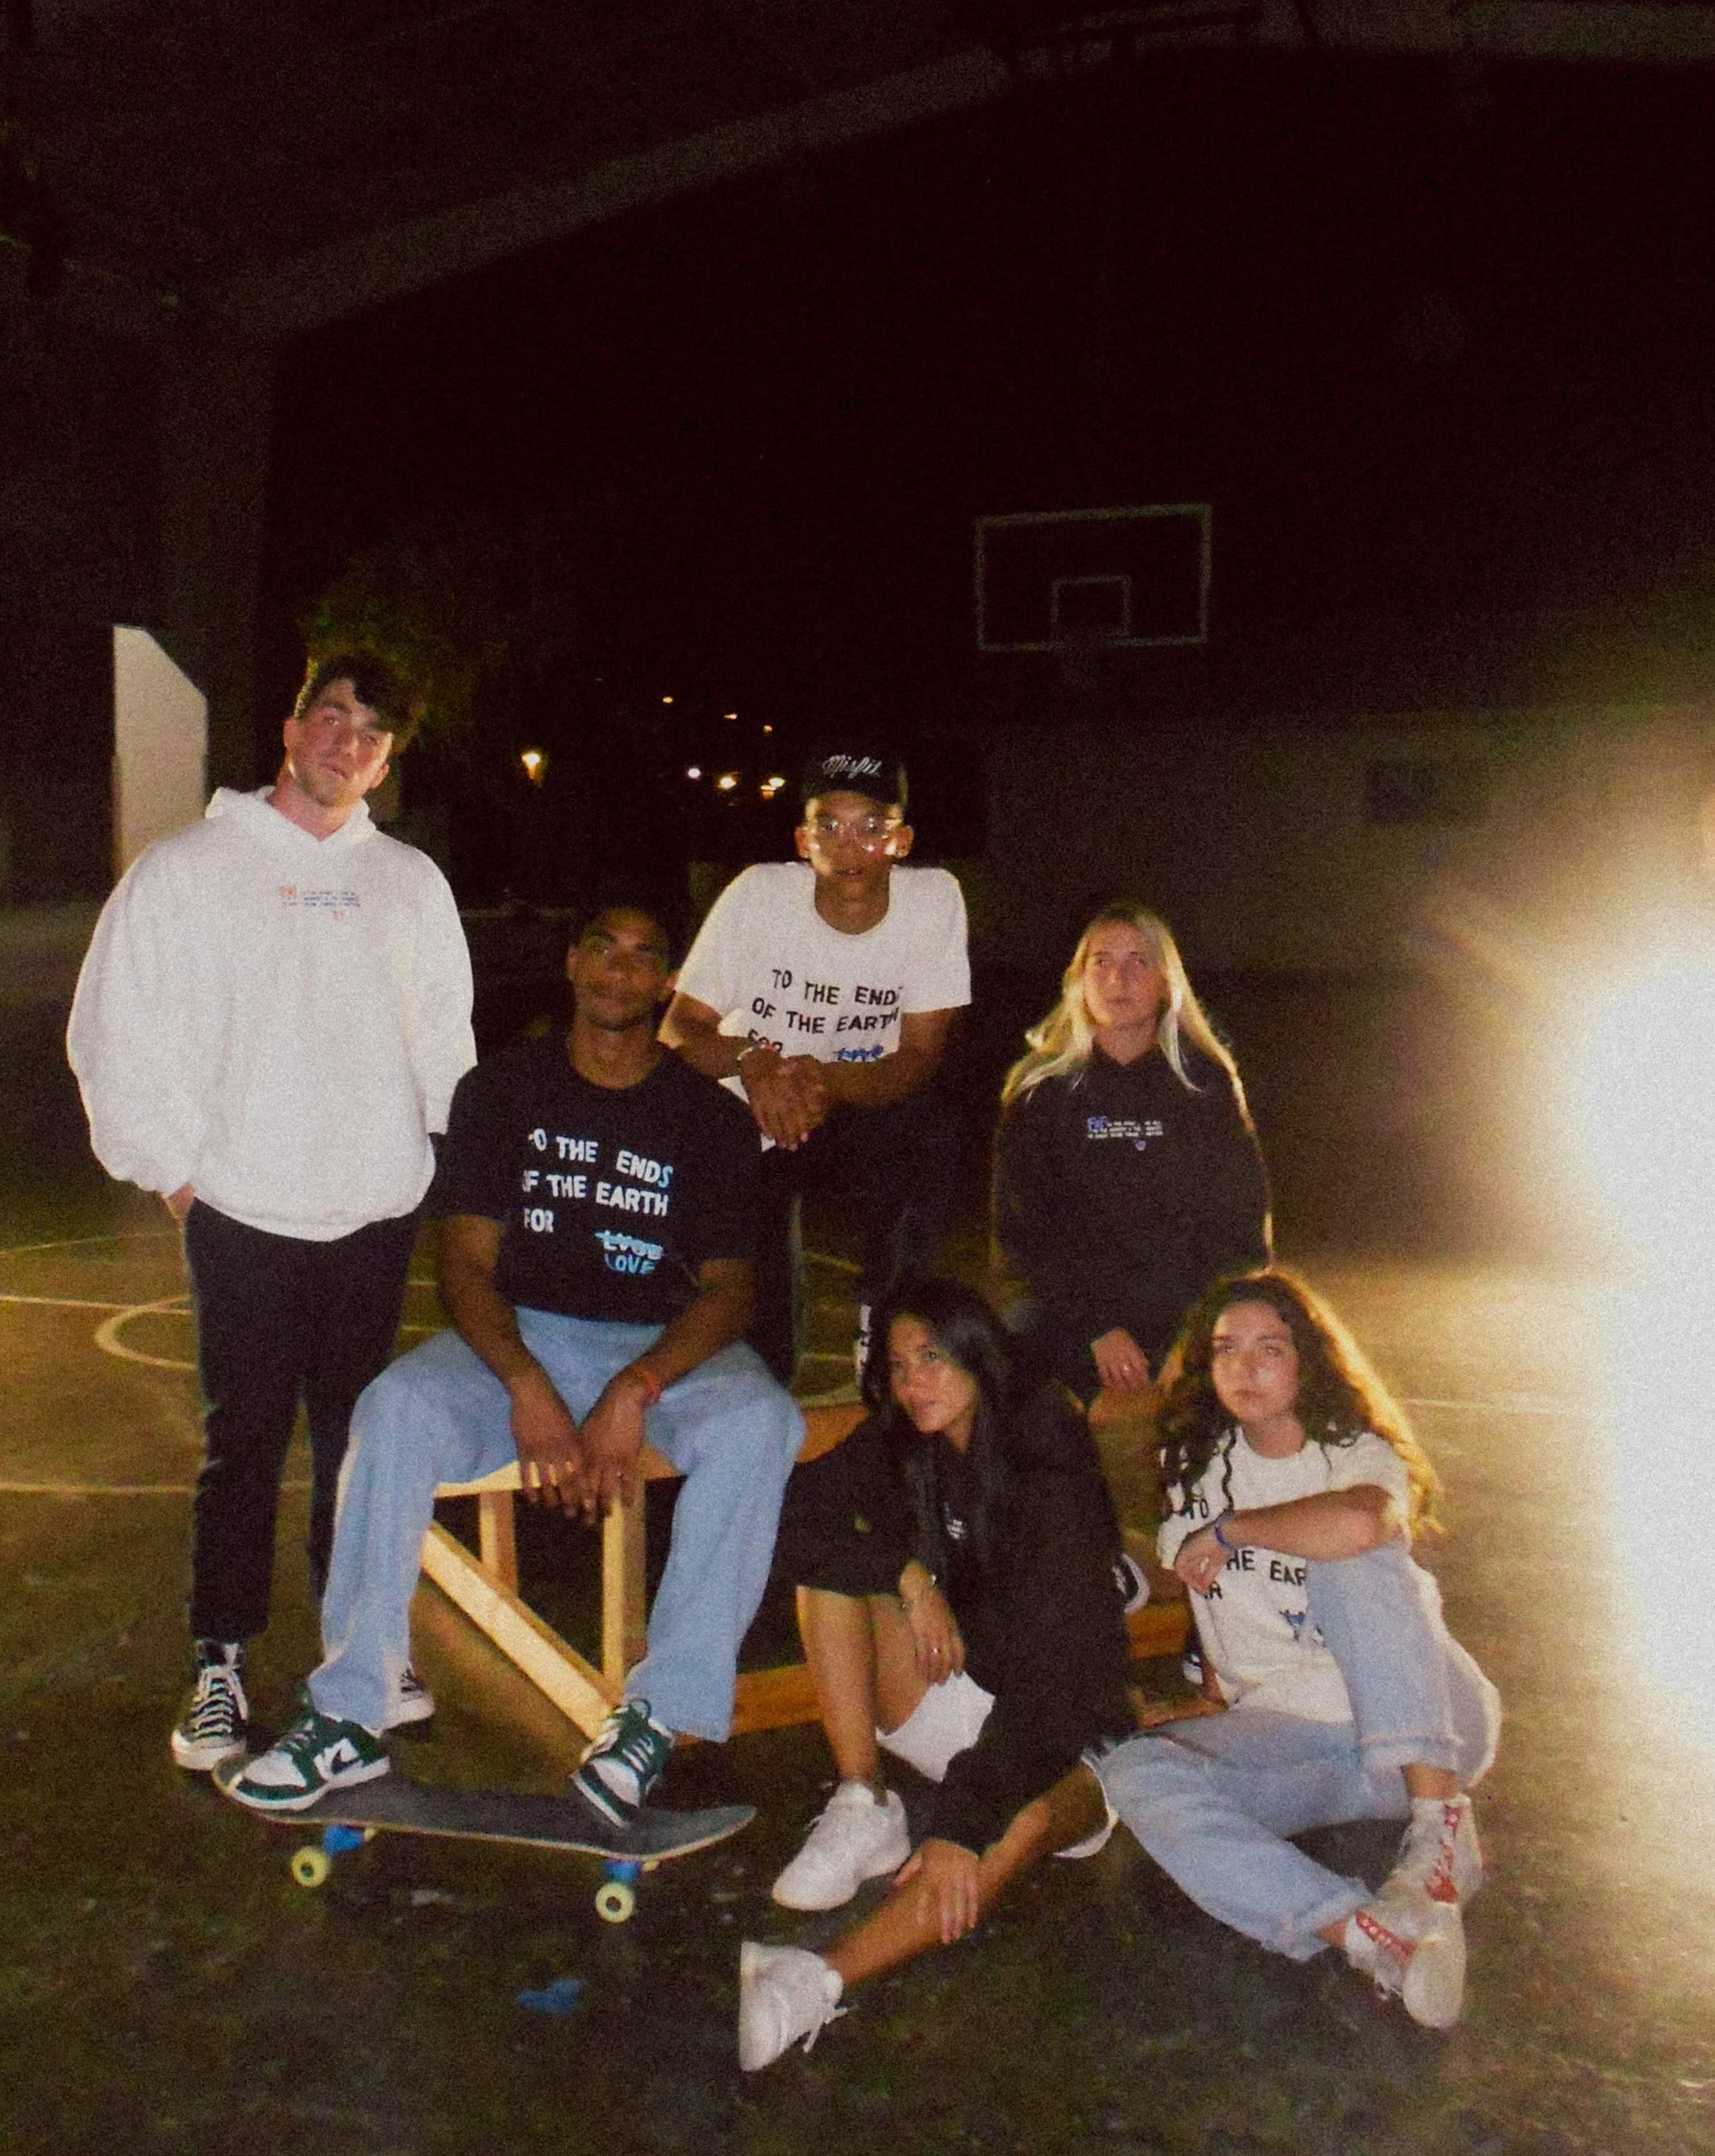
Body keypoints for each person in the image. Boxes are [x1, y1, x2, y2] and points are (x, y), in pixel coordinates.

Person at [229, 902, 804, 1823]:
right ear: (571, 964)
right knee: (394, 1411)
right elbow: (462, 1263)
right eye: (600, 951)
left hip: (654, 1353)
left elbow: (731, 1292)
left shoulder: (707, 1118)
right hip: (521, 1336)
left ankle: (657, 1718)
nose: (619, 973)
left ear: (665, 983)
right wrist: (526, 1383)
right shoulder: (499, 1092)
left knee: (764, 1421)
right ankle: (348, 1713)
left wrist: (636, 1386)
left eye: (642, 958)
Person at [68, 649, 474, 1772]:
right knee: (241, 1439)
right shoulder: (189, 867)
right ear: (292, 730)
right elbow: (116, 1026)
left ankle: (360, 1652)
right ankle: (219, 1664)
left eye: (372, 732)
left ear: (387, 760)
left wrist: (432, 1164)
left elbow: (445, 1044)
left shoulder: (408, 883)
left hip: (374, 1212)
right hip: (242, 1210)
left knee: (361, 1442)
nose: (348, 744)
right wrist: (175, 1172)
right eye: (332, 719)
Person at [737, 1280, 1131, 2072]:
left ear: (979, 1354)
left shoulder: (1042, 1451)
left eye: (933, 1357)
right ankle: (862, 1797)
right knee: (831, 1578)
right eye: (898, 1363)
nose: (915, 1382)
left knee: (1008, 1828)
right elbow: (788, 1516)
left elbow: (1053, 1693)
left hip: (1065, 1732)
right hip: (957, 1693)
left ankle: (810, 1981)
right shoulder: (906, 1439)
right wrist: (908, 1576)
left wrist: (961, 1820)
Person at [1093, 1269, 1500, 2029]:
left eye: (1269, 1347)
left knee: (1350, 1555)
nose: (1245, 1367)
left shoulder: (1353, 1451)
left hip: (1427, 1724)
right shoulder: (1197, 1474)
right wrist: (1211, 1702)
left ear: (1307, 1359)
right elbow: (1223, 1610)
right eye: (1225, 1349)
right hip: (1315, 1746)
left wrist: (1234, 1530)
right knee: (1133, 1770)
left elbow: (1356, 1526)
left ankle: (1442, 1827)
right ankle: (1368, 1935)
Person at [660, 743, 969, 1384]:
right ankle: (754, 1366)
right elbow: (679, 1029)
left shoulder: (934, 900)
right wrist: (755, 1063)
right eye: (828, 825)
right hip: (753, 1105)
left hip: (853, 1099)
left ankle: (886, 1331)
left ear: (902, 839)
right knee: (759, 1310)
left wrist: (824, 1076)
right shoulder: (758, 896)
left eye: (870, 827)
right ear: (803, 840)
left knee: (931, 1132)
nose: (848, 844)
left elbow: (917, 1056)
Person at [994, 901, 1268, 1407]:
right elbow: (1023, 1235)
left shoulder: (1205, 1084)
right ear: (1079, 979)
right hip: (1074, 1312)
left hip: (1182, 1315)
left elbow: (1239, 1226)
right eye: (1102, 962)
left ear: (1166, 981)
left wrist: (1196, 1335)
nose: (1118, 978)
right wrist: (1096, 1327)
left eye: (1138, 961)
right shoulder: (1040, 1092)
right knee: (1002, 1345)